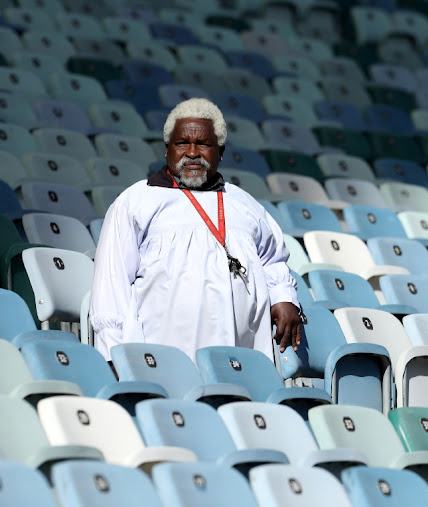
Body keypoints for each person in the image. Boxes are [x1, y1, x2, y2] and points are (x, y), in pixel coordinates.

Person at [90, 98, 301, 363]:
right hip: (165, 354)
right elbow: (111, 284)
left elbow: (272, 258)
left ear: (220, 151)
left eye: (203, 144)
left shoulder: (244, 203)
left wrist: (283, 298)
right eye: (182, 143)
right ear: (167, 150)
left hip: (243, 352)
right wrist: (113, 355)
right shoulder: (136, 201)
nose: (192, 152)